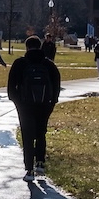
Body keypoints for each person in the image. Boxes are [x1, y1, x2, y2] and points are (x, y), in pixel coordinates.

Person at [7, 36, 61, 182]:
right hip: (44, 104)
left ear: (26, 47)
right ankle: (40, 162)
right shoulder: (49, 65)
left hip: (25, 106)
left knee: (27, 135)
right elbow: (56, 85)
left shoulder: (20, 63)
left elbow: (11, 87)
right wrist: (52, 102)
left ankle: (29, 169)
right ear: (40, 46)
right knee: (41, 132)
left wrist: (18, 102)